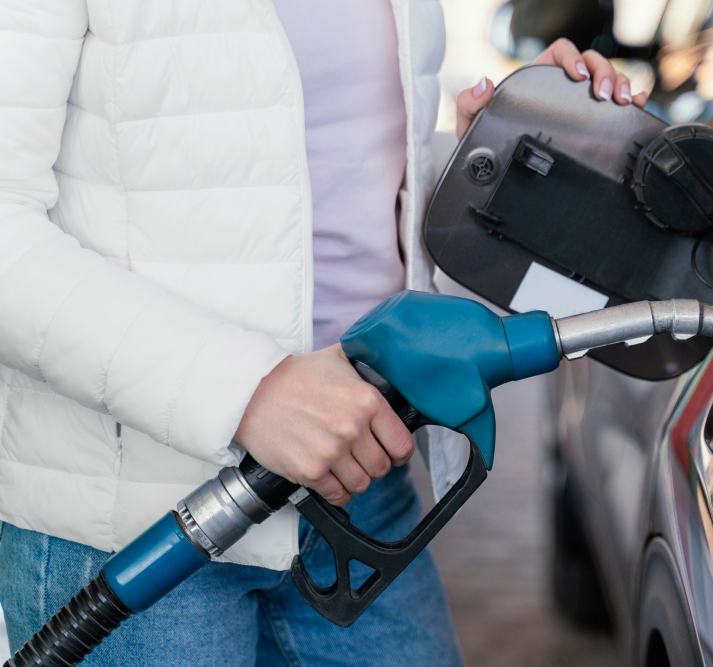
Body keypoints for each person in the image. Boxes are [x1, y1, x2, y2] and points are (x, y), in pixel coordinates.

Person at [0, 1, 646, 665]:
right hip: (135, 516)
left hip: (358, 484)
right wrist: (249, 391)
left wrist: (499, 155)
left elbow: (349, 190)